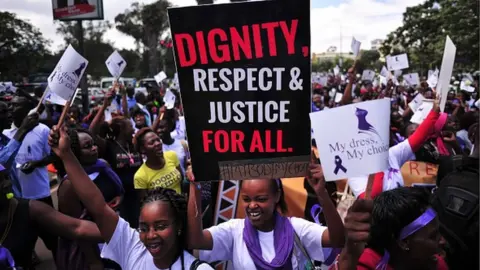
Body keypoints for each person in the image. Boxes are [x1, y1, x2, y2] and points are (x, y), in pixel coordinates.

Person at [47, 127, 213, 270]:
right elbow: (98, 207)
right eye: (143, 228)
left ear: (178, 225)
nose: (151, 235)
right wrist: (67, 154)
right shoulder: (132, 247)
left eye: (160, 226)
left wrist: (195, 187)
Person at [187, 163, 345, 269]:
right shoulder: (234, 231)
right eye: (246, 199)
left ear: (277, 196)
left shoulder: (297, 228)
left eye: (261, 199)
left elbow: (337, 239)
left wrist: (321, 192)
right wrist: (196, 187)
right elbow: (196, 240)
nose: (252, 205)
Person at [0, 163, 103, 269]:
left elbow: (77, 227)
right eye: (0, 181)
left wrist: (116, 231)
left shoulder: (30, 209)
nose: (7, 184)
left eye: (6, 177)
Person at [55, 128, 124, 270]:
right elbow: (77, 227)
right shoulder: (69, 185)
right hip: (96, 244)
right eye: (87, 147)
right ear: (74, 152)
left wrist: (119, 199)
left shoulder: (103, 165)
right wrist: (94, 261)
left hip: (117, 230)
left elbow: (118, 191)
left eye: (93, 144)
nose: (94, 148)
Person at [348, 97, 441, 198]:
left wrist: (434, 112)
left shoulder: (391, 154)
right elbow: (371, 198)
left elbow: (416, 139)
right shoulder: (355, 172)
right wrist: (378, 163)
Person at [334, 187, 448, 270]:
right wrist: (349, 254)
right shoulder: (367, 264)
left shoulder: (436, 264)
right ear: (404, 242)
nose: (443, 240)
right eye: (433, 236)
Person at [2, 95, 58, 258]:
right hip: (17, 198)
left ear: (28, 110)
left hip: (40, 194)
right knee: (23, 240)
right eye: (9, 106)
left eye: (15, 106)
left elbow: (54, 156)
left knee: (52, 237)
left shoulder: (42, 130)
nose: (11, 109)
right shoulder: (5, 133)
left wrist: (36, 163)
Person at [90, 89, 143, 228]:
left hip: (138, 196)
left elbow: (125, 115)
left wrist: (124, 95)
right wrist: (104, 105)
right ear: (121, 129)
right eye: (130, 127)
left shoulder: (133, 144)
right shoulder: (110, 146)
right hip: (120, 199)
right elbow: (92, 132)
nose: (133, 129)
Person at [133, 128, 184, 200]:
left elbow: (181, 179)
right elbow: (145, 203)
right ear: (142, 149)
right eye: (152, 142)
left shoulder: (171, 155)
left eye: (158, 140)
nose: (157, 143)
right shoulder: (140, 176)